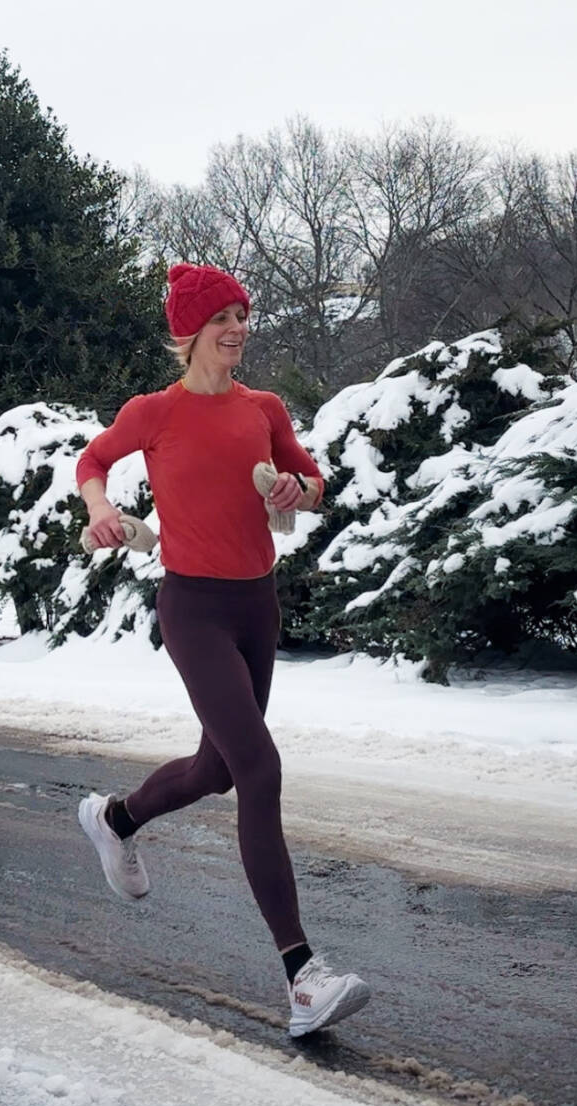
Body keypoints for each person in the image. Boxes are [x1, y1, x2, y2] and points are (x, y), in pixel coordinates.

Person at [75, 263, 370, 1037]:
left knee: (216, 769)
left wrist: (294, 493)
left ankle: (116, 818)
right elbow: (92, 461)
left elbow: (313, 480)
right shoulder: (153, 413)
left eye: (243, 316)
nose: (238, 329)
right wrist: (104, 509)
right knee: (258, 769)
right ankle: (303, 975)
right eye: (223, 320)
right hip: (194, 609)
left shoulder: (262, 407)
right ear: (190, 333)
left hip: (256, 606)